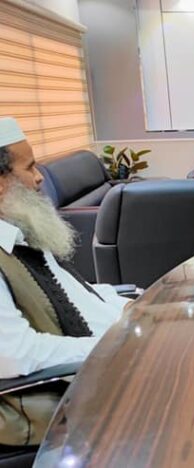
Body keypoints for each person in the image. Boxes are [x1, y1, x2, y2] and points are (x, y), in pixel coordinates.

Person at [0, 118, 129, 448]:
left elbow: (77, 297)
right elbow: (15, 355)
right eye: (29, 167)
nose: (40, 177)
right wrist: (113, 345)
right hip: (59, 405)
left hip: (102, 363)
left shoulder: (20, 231)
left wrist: (135, 305)